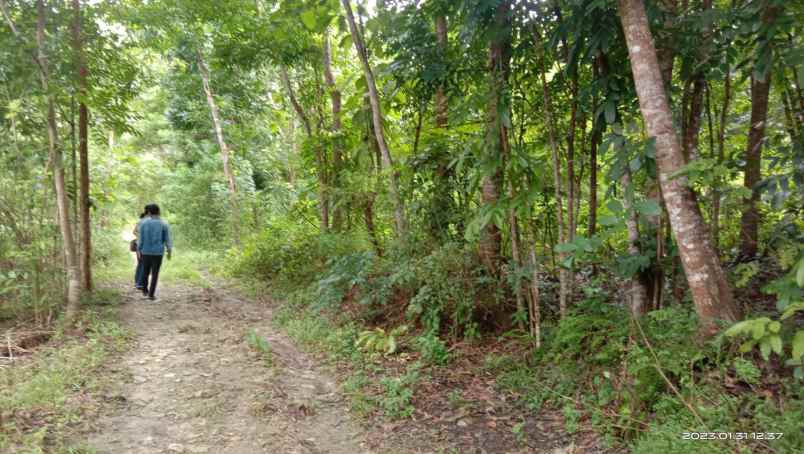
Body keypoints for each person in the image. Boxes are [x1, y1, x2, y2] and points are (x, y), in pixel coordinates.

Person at [137, 203, 172, 300]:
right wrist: (169, 251)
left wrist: (138, 250)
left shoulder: (143, 223)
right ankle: (151, 295)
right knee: (155, 273)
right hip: (158, 252)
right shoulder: (164, 224)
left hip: (145, 251)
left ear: (149, 212)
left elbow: (140, 239)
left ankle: (145, 290)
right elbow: (167, 239)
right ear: (159, 211)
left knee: (145, 271)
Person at [133, 211, 149, 290]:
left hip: (138, 244)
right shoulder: (145, 223)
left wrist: (138, 236)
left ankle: (137, 282)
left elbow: (134, 232)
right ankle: (139, 283)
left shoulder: (139, 222)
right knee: (143, 263)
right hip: (142, 245)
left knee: (140, 263)